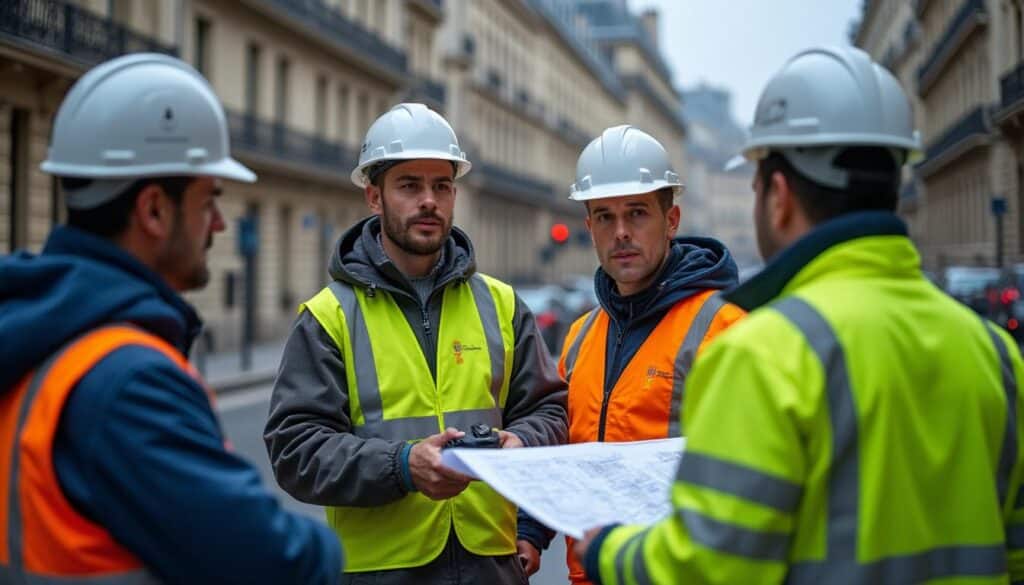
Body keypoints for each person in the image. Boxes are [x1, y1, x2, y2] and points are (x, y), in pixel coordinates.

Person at [574, 45, 1024, 585]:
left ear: (779, 196)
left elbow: (713, 566)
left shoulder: (765, 354)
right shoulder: (996, 353)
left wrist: (607, 552)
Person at [0, 54, 342, 584]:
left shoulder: (38, 329)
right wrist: (330, 554)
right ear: (154, 210)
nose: (219, 224)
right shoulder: (128, 381)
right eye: (209, 201)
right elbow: (274, 562)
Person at [264, 103, 568, 585]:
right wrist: (402, 465)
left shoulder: (502, 304)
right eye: (409, 186)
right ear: (374, 196)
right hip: (380, 574)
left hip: (492, 569)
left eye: (441, 186)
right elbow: (295, 450)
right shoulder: (329, 316)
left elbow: (550, 411)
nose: (429, 201)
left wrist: (524, 444)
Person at [555, 125, 745, 584]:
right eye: (605, 217)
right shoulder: (580, 337)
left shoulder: (724, 328)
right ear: (590, 228)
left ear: (671, 220)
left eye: (637, 213)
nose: (620, 233)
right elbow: (563, 460)